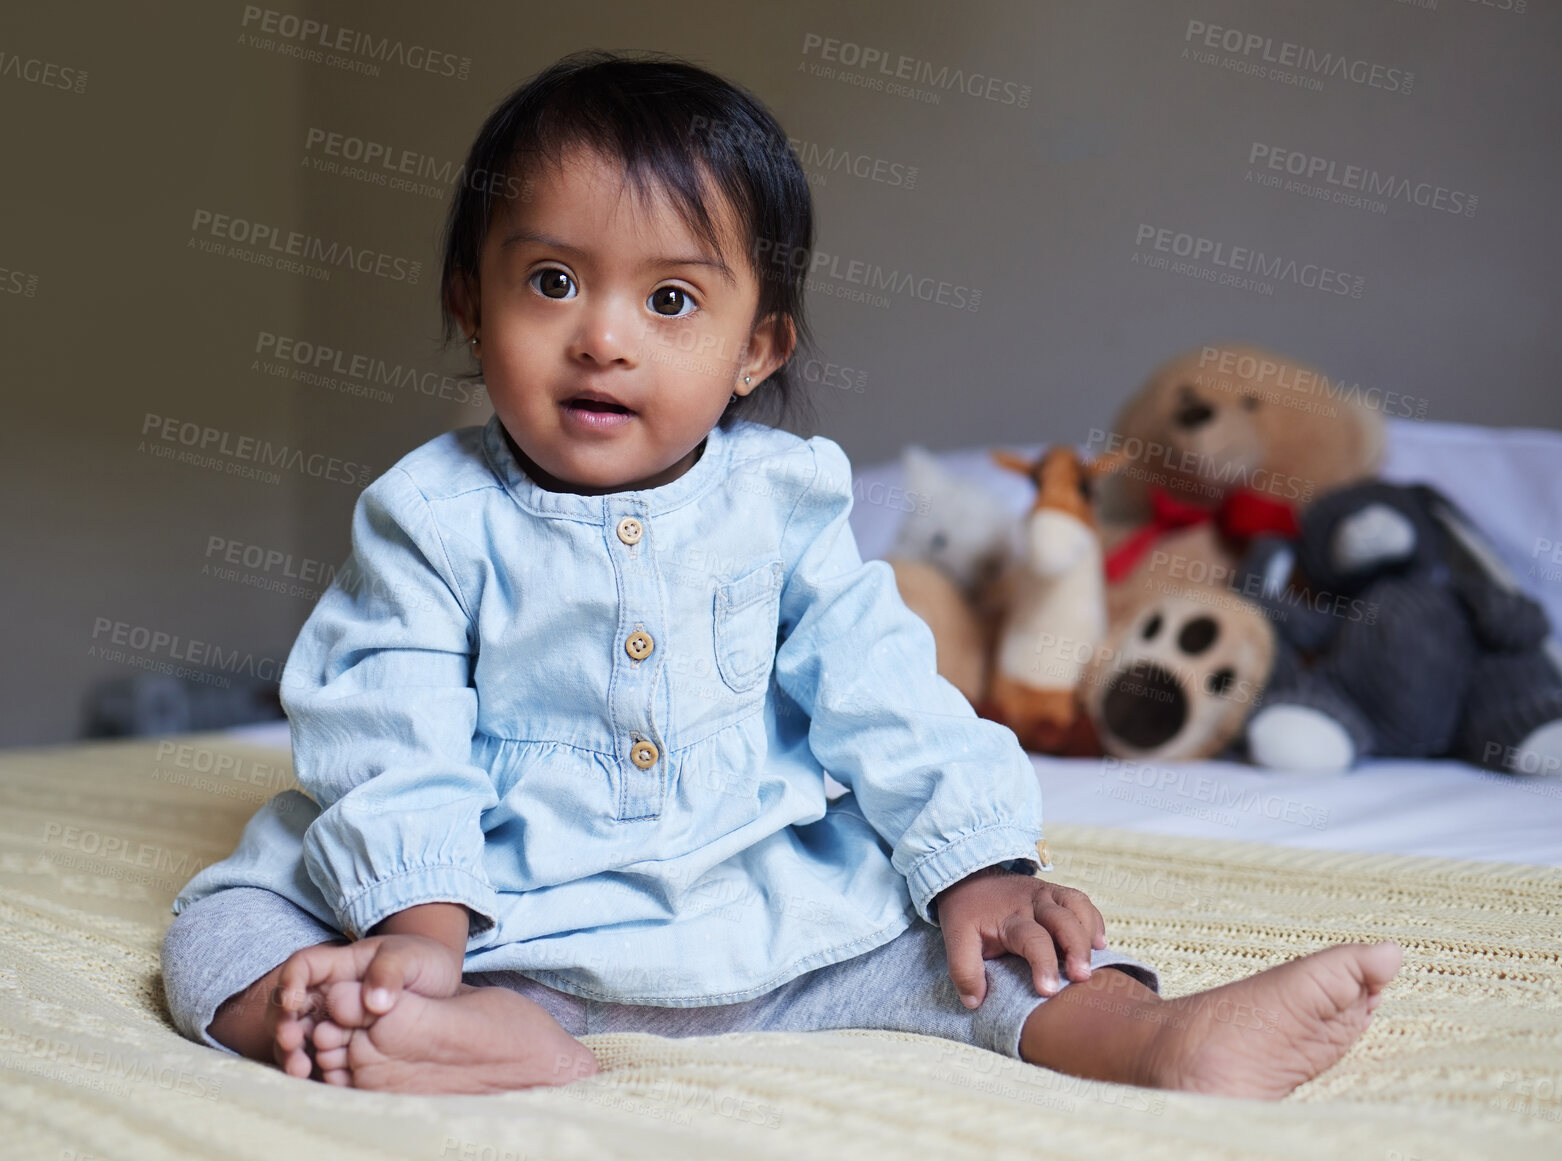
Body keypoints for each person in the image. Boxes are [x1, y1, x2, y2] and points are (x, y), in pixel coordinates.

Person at [161, 49, 1401, 1098]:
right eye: (551, 282)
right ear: (471, 309)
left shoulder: (783, 503)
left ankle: (1155, 1038)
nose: (601, 333)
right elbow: (387, 720)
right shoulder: (432, 514)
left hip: (769, 912)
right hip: (499, 921)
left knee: (986, 956)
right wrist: (420, 930)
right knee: (221, 929)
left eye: (670, 299)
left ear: (756, 350)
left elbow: (882, 687)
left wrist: (979, 869)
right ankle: (452, 1033)